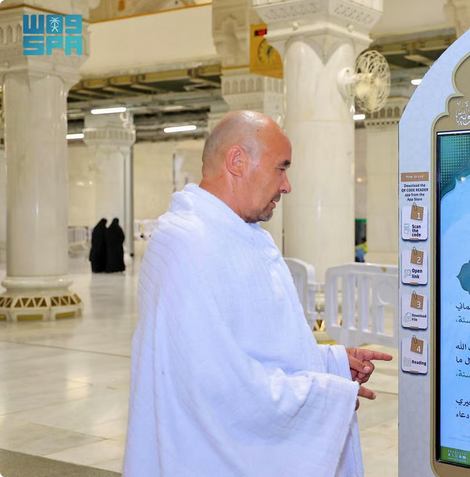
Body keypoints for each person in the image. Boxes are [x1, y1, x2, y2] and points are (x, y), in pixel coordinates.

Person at [123, 111, 392, 477]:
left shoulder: (242, 236)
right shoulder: (188, 243)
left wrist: (330, 362)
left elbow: (256, 347)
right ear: (237, 161)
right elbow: (215, 382)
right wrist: (324, 397)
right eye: (281, 168)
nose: (287, 186)